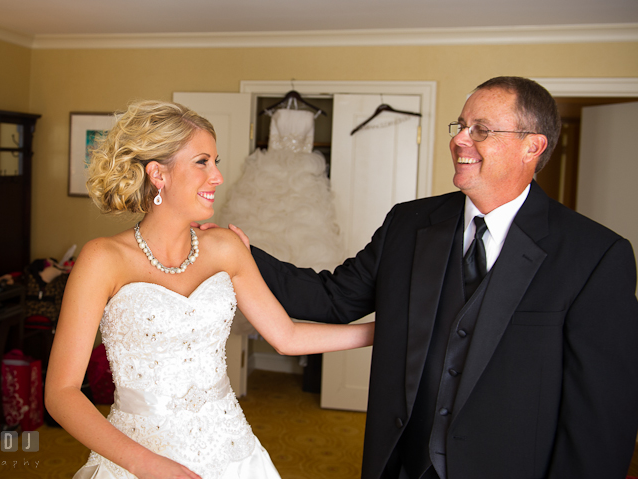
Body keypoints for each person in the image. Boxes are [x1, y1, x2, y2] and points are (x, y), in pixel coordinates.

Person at [219, 77, 638, 478]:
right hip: (403, 463)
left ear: (532, 146)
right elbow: (331, 298)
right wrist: (237, 252)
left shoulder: (596, 256)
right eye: (461, 125)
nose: (459, 139)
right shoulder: (409, 223)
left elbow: (600, 419)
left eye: (481, 129)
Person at [44, 100, 374, 479]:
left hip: (233, 452)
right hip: (138, 458)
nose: (217, 176)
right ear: (158, 174)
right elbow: (61, 393)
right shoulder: (102, 259)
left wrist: (383, 332)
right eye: (202, 162)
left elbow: (288, 337)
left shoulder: (226, 247)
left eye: (216, 161)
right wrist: (146, 465)